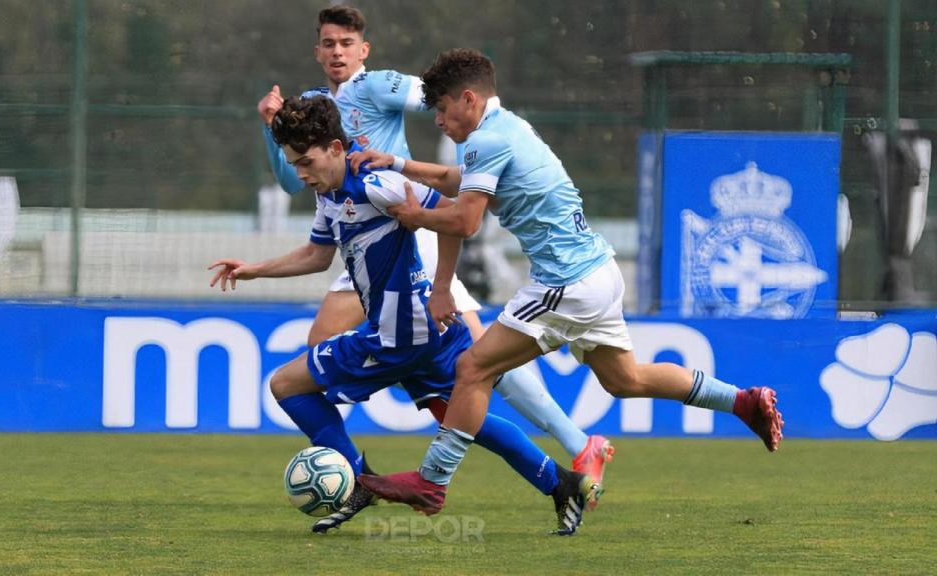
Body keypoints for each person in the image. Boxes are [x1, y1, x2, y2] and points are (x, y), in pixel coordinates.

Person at [354, 49, 785, 515]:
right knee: (626, 379)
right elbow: (460, 180)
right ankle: (742, 401)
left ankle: (432, 482)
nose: (438, 120)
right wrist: (399, 164)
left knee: (473, 368)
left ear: (468, 99)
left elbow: (465, 222)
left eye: (441, 107)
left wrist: (412, 216)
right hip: (599, 271)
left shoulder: (485, 141)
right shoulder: (508, 128)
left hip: (566, 283)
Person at [256, 5, 613, 499]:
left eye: (347, 43)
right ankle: (561, 470)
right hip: (357, 229)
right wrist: (271, 125)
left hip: (409, 221)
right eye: (329, 43)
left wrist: (459, 134)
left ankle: (571, 442)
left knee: (478, 362)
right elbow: (290, 180)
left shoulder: (377, 86)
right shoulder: (314, 107)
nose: (337, 52)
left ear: (363, 49)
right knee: (458, 377)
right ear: (316, 50)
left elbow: (438, 102)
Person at [211, 95, 596, 535]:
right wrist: (254, 270)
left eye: (306, 162)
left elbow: (452, 214)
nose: (300, 173)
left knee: (286, 384)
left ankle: (358, 482)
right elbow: (317, 255)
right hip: (425, 331)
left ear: (335, 148)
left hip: (400, 334)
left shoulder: (374, 182)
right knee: (460, 417)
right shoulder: (329, 193)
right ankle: (561, 483)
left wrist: (443, 287)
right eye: (293, 164)